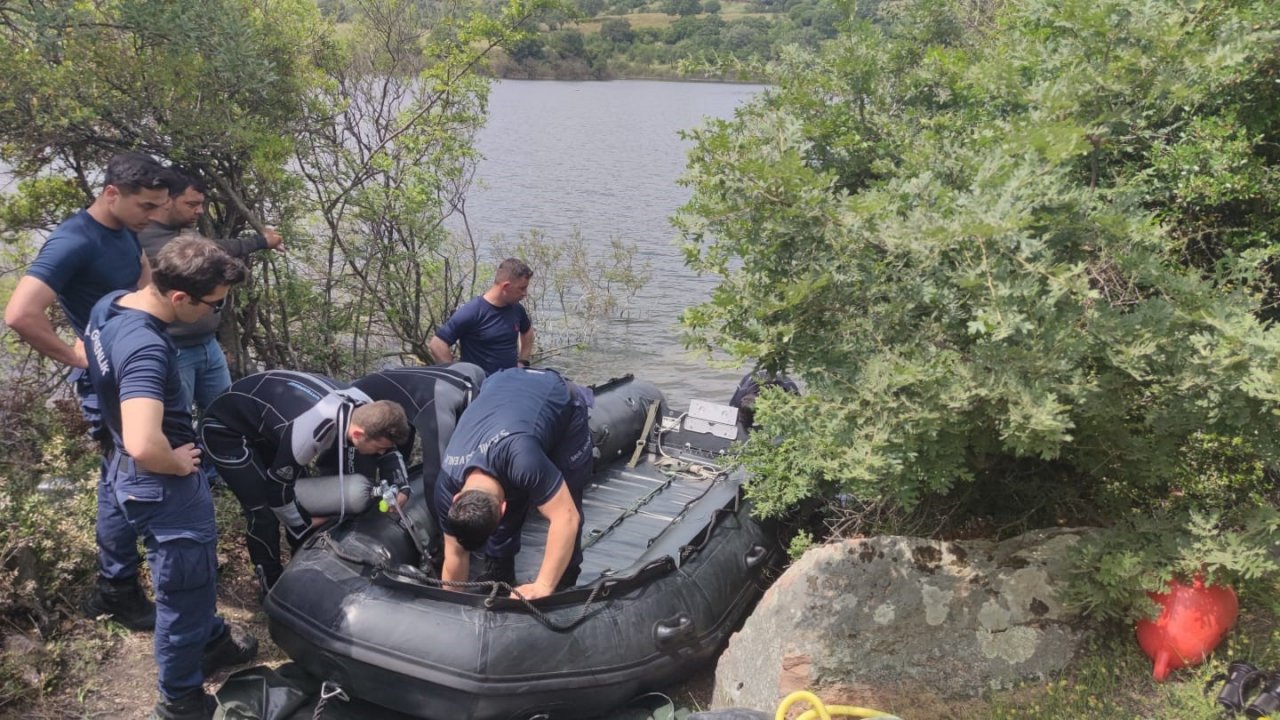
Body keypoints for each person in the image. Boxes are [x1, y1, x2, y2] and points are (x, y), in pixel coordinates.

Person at [84, 237, 258, 720]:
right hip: (159, 481)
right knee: (186, 588)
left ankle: (211, 637)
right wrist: (177, 463)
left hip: (120, 463)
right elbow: (145, 441)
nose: (216, 312)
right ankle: (180, 697)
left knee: (180, 580)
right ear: (180, 298)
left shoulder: (110, 306)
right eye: (214, 304)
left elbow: (91, 364)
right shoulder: (146, 346)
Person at [4, 152, 172, 631]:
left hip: (132, 371)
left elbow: (139, 278)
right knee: (126, 478)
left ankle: (116, 583)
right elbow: (20, 313)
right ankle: (118, 588)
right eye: (146, 206)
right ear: (111, 193)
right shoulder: (73, 240)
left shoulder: (125, 228)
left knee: (117, 476)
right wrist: (77, 356)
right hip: (107, 384)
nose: (154, 216)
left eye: (160, 205)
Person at [198, 372, 410, 590]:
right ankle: (270, 582)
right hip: (226, 430)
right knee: (263, 511)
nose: (381, 452)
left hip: (265, 425)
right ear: (357, 434)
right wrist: (302, 524)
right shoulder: (309, 429)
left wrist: (401, 485)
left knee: (299, 502)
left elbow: (389, 453)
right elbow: (277, 490)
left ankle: (302, 572)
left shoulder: (368, 408)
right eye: (379, 448)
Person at [435, 368, 593, 600]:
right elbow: (455, 554)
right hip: (500, 385)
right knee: (510, 481)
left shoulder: (523, 459)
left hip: (556, 398)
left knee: (567, 491)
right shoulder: (446, 481)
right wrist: (449, 604)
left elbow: (566, 517)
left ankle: (566, 576)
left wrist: (543, 586)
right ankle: (500, 570)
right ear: (455, 500)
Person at [138, 168, 284, 414]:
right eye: (191, 204)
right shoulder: (143, 239)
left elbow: (212, 248)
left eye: (201, 204)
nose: (199, 211)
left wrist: (263, 242)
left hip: (207, 345)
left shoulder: (184, 228)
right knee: (177, 420)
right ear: (166, 201)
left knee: (226, 416)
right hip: (174, 348)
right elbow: (213, 249)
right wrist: (261, 242)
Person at [351, 363, 486, 564]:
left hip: (403, 402)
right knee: (434, 469)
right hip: (365, 406)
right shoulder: (440, 407)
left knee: (408, 460)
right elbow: (436, 477)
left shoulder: (472, 390)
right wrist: (450, 539)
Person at [429, 258, 535, 375]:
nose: (525, 294)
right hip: (481, 388)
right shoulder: (472, 312)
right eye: (522, 288)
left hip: (508, 385)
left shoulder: (517, 309)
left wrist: (523, 361)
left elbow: (527, 332)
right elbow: (437, 344)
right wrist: (457, 375)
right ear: (505, 286)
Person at [729, 370, 801, 431]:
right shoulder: (740, 397)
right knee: (739, 422)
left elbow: (801, 413)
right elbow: (732, 417)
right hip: (751, 384)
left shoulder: (789, 390)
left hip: (779, 391)